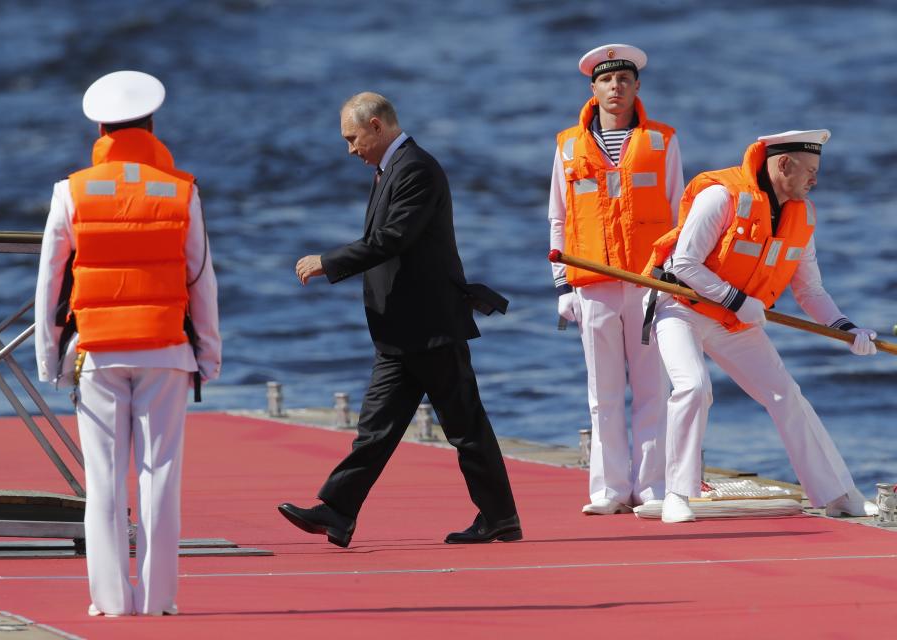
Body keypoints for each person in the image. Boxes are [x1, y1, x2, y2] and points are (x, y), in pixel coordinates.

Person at [280, 92, 520, 547]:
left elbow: (391, 239)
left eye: (353, 139)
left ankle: (500, 517)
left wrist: (328, 262)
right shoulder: (389, 169)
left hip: (430, 327)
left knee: (465, 427)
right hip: (401, 330)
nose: (350, 149)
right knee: (377, 427)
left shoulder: (416, 169)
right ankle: (337, 511)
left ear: (376, 125)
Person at [34, 70, 221, 615]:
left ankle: (112, 602)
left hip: (97, 351)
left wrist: (50, 360)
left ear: (101, 126)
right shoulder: (182, 190)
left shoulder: (69, 192)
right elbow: (201, 279)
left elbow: (49, 281)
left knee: (105, 483)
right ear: (152, 125)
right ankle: (160, 599)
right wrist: (207, 356)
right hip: (166, 350)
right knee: (160, 475)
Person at [646, 129, 879, 523]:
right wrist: (736, 299)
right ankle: (677, 494)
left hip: (734, 320)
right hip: (681, 306)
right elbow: (684, 262)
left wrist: (845, 327)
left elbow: (810, 289)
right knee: (693, 387)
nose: (815, 180)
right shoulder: (720, 197)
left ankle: (840, 494)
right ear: (783, 163)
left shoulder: (802, 215)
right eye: (809, 170)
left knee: (786, 394)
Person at [548, 44, 684, 514]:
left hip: (649, 284)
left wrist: (672, 279)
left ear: (637, 87)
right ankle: (607, 489)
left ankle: (652, 488)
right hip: (593, 284)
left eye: (624, 80)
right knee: (602, 392)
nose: (616, 88)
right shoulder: (567, 145)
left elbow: (679, 216)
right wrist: (562, 285)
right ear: (593, 88)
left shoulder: (663, 141)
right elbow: (558, 221)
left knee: (652, 388)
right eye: (607, 81)